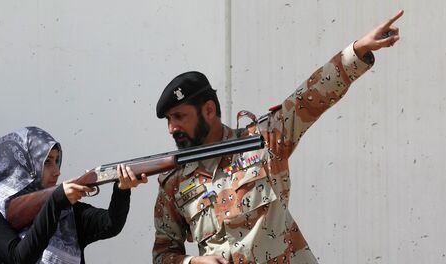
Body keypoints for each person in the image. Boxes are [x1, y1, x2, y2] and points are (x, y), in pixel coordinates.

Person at [152, 10, 404, 264]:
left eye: (179, 117)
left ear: (208, 110)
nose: (172, 128)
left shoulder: (263, 141)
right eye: (169, 120)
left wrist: (358, 49)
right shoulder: (174, 182)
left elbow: (310, 98)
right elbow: (163, 255)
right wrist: (192, 262)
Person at [0, 126, 147, 263]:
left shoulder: (64, 207)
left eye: (57, 161)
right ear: (23, 166)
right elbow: (19, 258)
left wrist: (122, 190)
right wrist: (55, 202)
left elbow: (110, 225)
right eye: (47, 162)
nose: (57, 171)